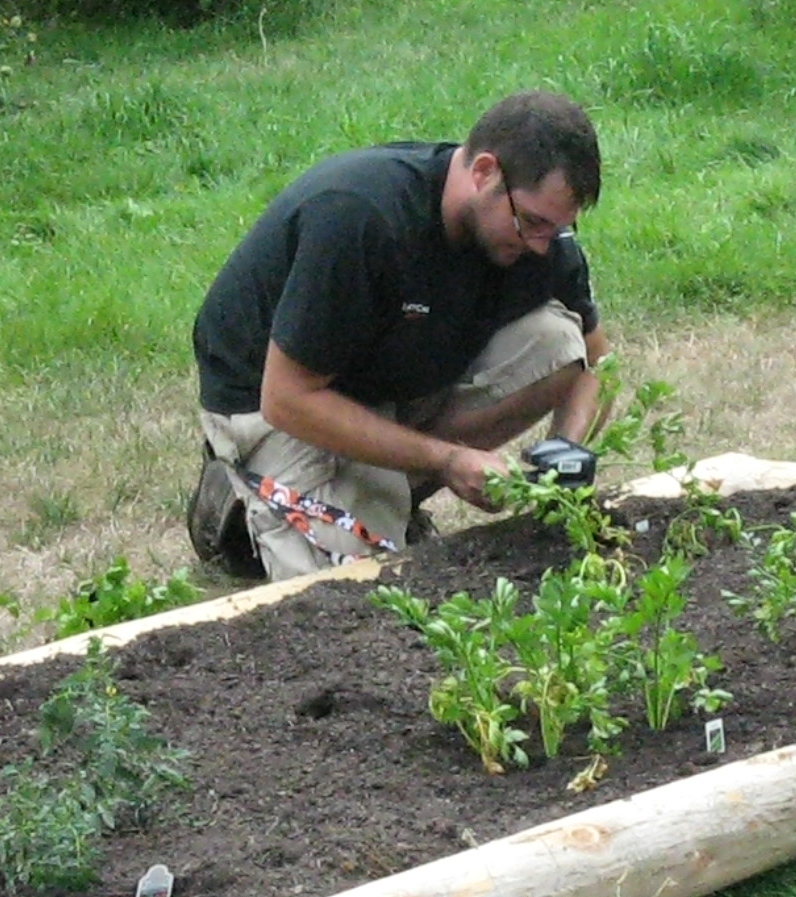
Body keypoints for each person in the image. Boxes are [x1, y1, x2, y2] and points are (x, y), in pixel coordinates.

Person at [187, 90, 611, 581]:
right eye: (533, 222)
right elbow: (287, 399)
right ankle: (239, 501)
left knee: (559, 342)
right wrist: (448, 459)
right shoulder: (362, 215)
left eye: (560, 227)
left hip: (387, 378)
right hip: (275, 405)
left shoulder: (539, 240)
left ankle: (386, 489)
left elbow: (596, 361)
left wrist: (567, 451)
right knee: (354, 589)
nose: (542, 246)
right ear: (485, 173)